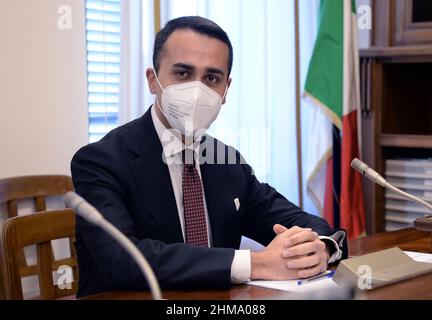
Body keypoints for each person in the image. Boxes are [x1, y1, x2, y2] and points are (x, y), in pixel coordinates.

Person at [71, 16, 347, 298]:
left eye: (211, 78)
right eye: (182, 73)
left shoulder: (226, 161)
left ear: (225, 90)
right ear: (152, 80)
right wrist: (256, 263)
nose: (197, 90)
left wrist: (320, 248)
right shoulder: (100, 161)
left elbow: (305, 224)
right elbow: (122, 261)